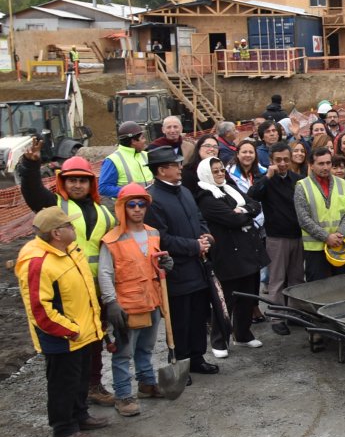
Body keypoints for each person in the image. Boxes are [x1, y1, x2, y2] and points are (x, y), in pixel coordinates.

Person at [17, 144, 118, 406]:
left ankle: (93, 386)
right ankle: (72, 399)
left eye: (82, 180)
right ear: (63, 181)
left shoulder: (105, 211)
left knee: (96, 339)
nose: (77, 185)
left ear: (90, 183)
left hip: (98, 287)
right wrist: (29, 167)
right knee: (72, 344)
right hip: (67, 288)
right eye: (72, 180)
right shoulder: (55, 206)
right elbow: (33, 193)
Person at [17, 207, 109, 437]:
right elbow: (39, 309)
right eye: (69, 225)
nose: (73, 228)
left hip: (81, 332)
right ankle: (63, 428)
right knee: (63, 384)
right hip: (63, 337)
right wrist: (70, 330)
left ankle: (80, 415)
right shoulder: (37, 261)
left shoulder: (69, 250)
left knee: (79, 380)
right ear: (56, 233)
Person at [97, 183, 172, 416]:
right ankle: (123, 396)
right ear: (122, 207)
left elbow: (153, 263)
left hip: (152, 299)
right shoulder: (112, 240)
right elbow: (105, 273)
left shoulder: (153, 233)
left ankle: (147, 384)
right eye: (132, 205)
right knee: (123, 353)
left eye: (142, 204)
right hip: (127, 305)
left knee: (146, 348)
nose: (138, 209)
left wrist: (166, 265)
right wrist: (111, 302)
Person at [143, 146, 218, 376]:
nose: (180, 168)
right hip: (176, 271)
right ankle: (181, 363)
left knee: (198, 316)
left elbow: (198, 217)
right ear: (162, 170)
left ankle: (197, 357)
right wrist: (193, 246)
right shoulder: (153, 200)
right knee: (180, 321)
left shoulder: (184, 191)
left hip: (198, 267)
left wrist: (205, 235)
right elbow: (161, 238)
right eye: (175, 165)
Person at [195, 157, 268, 351]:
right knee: (226, 300)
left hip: (247, 251)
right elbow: (231, 220)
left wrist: (242, 210)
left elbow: (255, 205)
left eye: (221, 170)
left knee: (248, 296)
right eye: (215, 171)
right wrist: (243, 214)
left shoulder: (230, 189)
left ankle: (243, 334)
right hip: (227, 255)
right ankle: (219, 341)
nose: (220, 174)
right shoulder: (206, 197)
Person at [249, 143, 305, 336]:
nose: (282, 164)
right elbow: (253, 195)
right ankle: (277, 316)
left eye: (286, 160)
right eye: (278, 160)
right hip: (276, 236)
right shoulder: (266, 180)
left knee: (297, 277)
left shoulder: (298, 179)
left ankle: (295, 312)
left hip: (297, 235)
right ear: (271, 161)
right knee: (277, 279)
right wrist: (267, 176)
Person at [295, 148, 345, 281]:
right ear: (311, 165)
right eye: (321, 164)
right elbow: (303, 218)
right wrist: (326, 237)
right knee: (318, 290)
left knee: (344, 286)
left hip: (341, 244)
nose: (326, 167)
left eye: (328, 163)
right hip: (316, 249)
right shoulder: (302, 186)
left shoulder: (342, 183)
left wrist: (341, 233)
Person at [99, 121, 152, 198]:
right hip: (127, 207)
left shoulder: (146, 155)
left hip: (148, 204)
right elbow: (104, 188)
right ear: (133, 141)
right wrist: (129, 191)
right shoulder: (113, 160)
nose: (145, 141)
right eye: (142, 138)